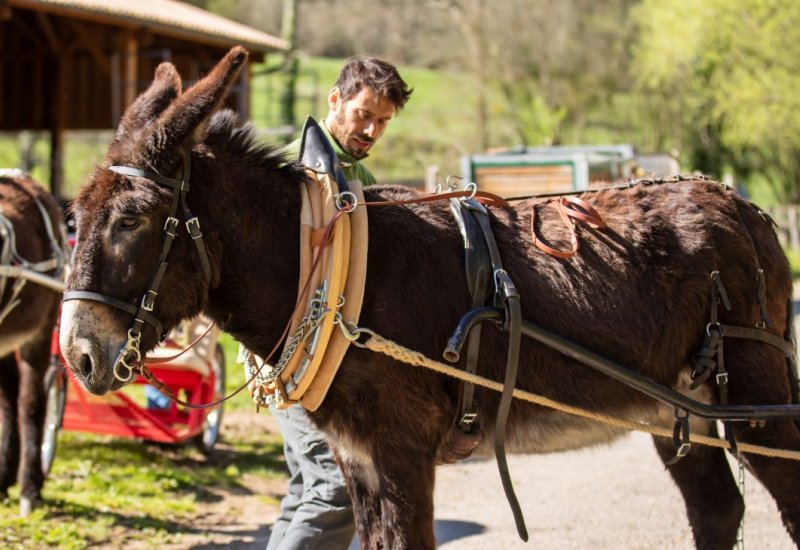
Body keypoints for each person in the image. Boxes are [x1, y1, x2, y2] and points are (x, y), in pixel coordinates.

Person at [266, 57, 413, 550]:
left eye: (384, 122)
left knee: (307, 489)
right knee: (335, 488)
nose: (372, 129)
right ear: (335, 101)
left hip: (324, 359)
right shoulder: (294, 172)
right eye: (364, 114)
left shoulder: (354, 173)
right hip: (292, 360)